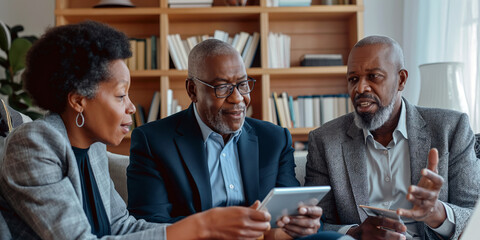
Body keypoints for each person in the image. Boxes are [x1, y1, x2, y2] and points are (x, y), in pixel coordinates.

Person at [0, 21, 273, 239]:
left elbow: (122, 226)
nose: (131, 107)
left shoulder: (93, 148)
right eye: (121, 96)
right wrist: (202, 226)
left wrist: (207, 230)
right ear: (78, 100)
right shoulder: (34, 144)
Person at [127, 39, 345, 239]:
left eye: (242, 84)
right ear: (193, 90)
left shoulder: (274, 139)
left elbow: (290, 211)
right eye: (222, 87)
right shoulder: (153, 141)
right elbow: (151, 226)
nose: (238, 98)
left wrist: (304, 222)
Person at [305, 35, 480, 240]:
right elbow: (314, 223)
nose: (361, 88)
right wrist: (355, 233)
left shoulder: (451, 129)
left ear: (401, 80)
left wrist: (435, 213)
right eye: (353, 79)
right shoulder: (325, 141)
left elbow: (474, 217)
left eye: (374, 76)